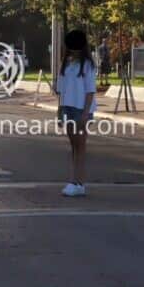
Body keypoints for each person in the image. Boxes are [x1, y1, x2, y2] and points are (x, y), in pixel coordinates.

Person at [54, 29, 95, 197]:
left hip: (80, 109)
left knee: (80, 146)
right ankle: (76, 182)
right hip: (67, 108)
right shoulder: (66, 64)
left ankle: (77, 182)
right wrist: (59, 112)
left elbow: (90, 91)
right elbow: (61, 91)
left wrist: (85, 113)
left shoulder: (87, 65)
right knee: (73, 146)